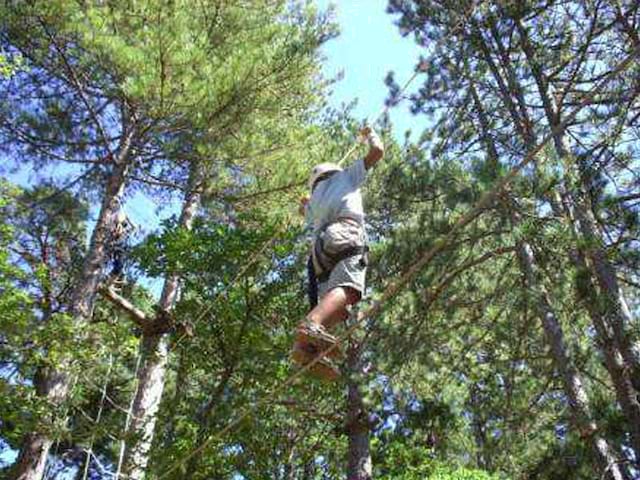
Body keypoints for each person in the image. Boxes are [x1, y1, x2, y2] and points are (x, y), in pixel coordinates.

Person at [292, 126, 384, 380]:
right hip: (345, 232)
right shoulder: (344, 176)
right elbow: (378, 151)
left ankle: (306, 348)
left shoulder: (316, 198)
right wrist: (371, 135)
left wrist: (304, 204)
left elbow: (305, 213)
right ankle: (310, 326)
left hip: (320, 251)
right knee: (350, 288)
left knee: (338, 307)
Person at [109, 206, 135, 285]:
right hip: (117, 250)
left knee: (119, 268)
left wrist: (127, 218)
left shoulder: (125, 232)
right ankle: (109, 282)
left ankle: (110, 283)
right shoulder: (115, 232)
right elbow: (112, 240)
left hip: (122, 250)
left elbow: (134, 227)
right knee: (118, 267)